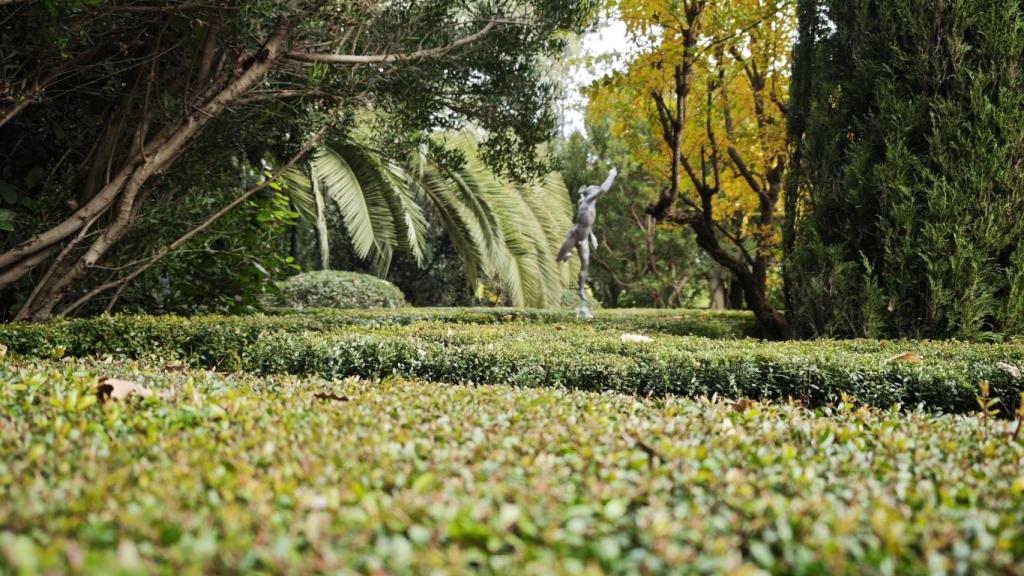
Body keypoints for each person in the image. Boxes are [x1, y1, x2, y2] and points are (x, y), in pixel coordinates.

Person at [557, 167, 617, 312]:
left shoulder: (589, 205)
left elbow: (587, 224)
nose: (597, 192)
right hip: (575, 234)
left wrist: (592, 237)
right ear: (591, 193)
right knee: (559, 258)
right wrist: (611, 175)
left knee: (585, 265)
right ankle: (565, 255)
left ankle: (580, 291)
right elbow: (604, 188)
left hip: (584, 237)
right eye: (594, 190)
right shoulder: (589, 201)